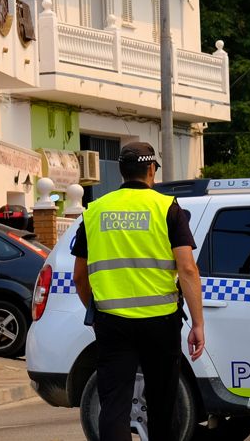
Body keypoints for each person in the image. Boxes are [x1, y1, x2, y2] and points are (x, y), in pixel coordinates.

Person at [72, 142, 205, 441]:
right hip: (160, 321)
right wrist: (197, 323)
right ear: (151, 170)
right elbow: (187, 269)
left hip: (112, 321)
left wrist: (94, 310)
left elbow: (80, 276)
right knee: (162, 404)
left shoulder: (94, 212)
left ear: (121, 172)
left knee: (115, 406)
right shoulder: (167, 208)